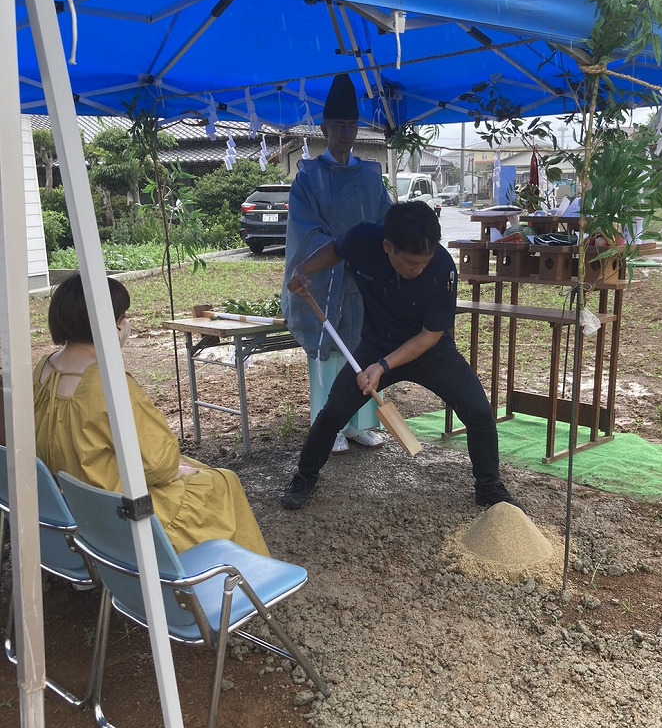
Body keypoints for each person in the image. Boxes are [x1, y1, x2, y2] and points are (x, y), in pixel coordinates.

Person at [280, 201, 524, 512]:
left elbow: (430, 335)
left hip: (429, 350)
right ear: (387, 247)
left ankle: (489, 487)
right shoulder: (363, 240)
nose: (418, 269)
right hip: (376, 346)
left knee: (479, 412)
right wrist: (304, 270)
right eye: (411, 263)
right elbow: (336, 249)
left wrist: (383, 367)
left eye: (425, 262)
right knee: (333, 413)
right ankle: (304, 477)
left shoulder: (442, 269)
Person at [33, 273, 270, 557]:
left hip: (75, 496)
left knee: (193, 467)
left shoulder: (43, 369)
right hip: (120, 506)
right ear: (114, 324)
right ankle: (235, 577)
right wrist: (175, 469)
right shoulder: (106, 382)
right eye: (122, 315)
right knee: (222, 481)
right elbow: (159, 461)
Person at [281, 72, 392, 455]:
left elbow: (385, 221)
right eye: (338, 125)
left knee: (363, 347)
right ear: (325, 127)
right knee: (330, 352)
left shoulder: (370, 176)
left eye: (351, 125)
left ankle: (362, 423)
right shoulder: (308, 178)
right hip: (327, 280)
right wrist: (338, 249)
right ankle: (330, 425)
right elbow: (304, 229)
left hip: (362, 280)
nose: (345, 132)